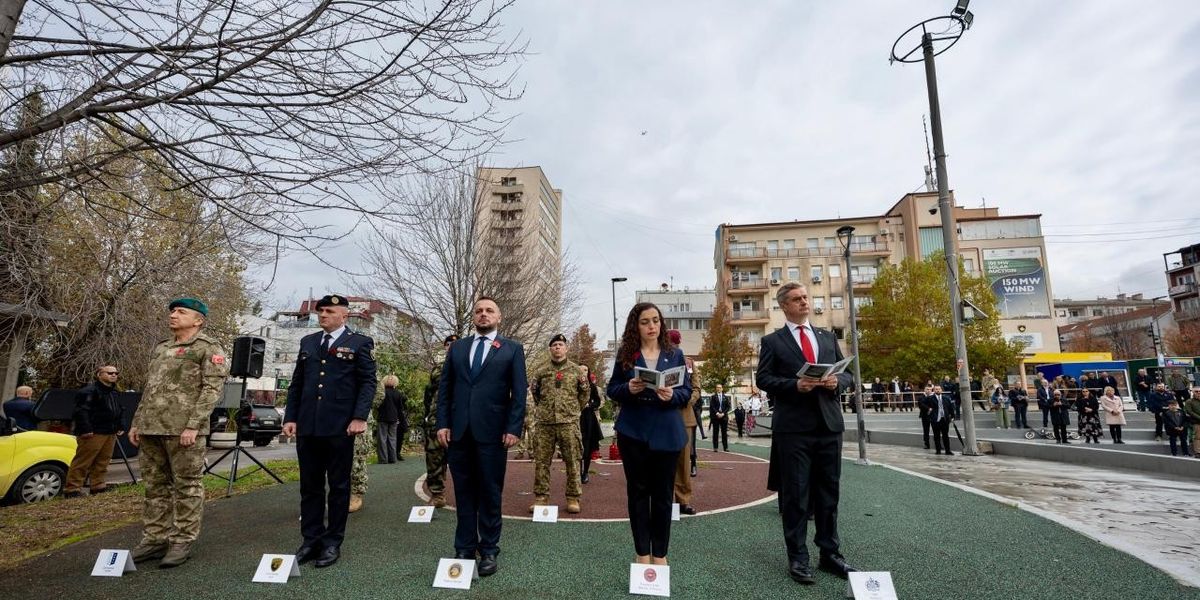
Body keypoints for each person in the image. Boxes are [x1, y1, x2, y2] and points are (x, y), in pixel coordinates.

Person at [757, 282, 856, 585]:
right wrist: (794, 385)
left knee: (829, 493)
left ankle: (830, 554)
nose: (804, 302)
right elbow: (763, 378)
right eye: (797, 299)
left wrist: (836, 383)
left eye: (805, 297)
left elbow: (848, 375)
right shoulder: (772, 341)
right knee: (796, 496)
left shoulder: (827, 336)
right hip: (794, 429)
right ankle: (798, 557)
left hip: (829, 426)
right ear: (784, 306)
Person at [127, 297, 229, 568]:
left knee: (187, 486)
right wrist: (138, 422)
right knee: (154, 487)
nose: (173, 315)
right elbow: (150, 388)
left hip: (183, 430)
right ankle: (154, 539)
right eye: (172, 311)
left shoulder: (207, 347)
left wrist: (193, 425)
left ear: (198, 320)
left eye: (181, 312)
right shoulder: (162, 347)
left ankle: (182, 540)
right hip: (151, 427)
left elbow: (212, 389)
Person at [283, 294, 377, 569]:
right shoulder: (308, 342)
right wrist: (291, 417)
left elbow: (367, 382)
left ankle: (332, 542)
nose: (323, 315)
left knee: (338, 486)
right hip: (308, 425)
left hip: (339, 426)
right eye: (320, 311)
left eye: (329, 311)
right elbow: (297, 383)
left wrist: (359, 417)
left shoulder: (359, 343)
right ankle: (310, 540)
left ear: (344, 315)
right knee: (310, 486)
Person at [436, 296, 527, 577]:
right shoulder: (458, 348)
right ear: (473, 317)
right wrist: (443, 423)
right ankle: (464, 547)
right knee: (463, 492)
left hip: (493, 433)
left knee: (489, 492)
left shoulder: (512, 349)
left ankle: (488, 548)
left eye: (489, 310)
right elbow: (445, 389)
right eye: (478, 311)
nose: (483, 314)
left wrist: (513, 428)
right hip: (459, 432)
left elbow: (519, 393)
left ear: (499, 317)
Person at [607, 302, 690, 566]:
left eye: (656, 320)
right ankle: (642, 552)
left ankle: (660, 554)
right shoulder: (626, 355)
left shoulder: (675, 354)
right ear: (636, 326)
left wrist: (672, 395)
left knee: (663, 497)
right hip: (633, 432)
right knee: (638, 494)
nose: (652, 326)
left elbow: (686, 392)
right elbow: (612, 388)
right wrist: (628, 389)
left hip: (667, 432)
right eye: (645, 322)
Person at [528, 333, 588, 514]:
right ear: (550, 349)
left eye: (560, 345)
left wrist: (573, 410)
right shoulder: (541, 371)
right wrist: (545, 409)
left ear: (566, 348)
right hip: (545, 423)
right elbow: (535, 393)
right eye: (554, 345)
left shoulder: (576, 371)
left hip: (568, 422)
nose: (557, 348)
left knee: (572, 461)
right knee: (542, 461)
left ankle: (573, 498)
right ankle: (541, 497)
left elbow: (584, 394)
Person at [64, 366, 126, 497]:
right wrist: (86, 429)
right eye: (110, 373)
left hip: (110, 431)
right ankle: (72, 489)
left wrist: (120, 425)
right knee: (83, 460)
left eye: (116, 373)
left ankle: (98, 485)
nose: (114, 375)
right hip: (94, 431)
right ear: (99, 374)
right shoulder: (88, 391)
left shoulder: (114, 392)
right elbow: (81, 411)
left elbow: (119, 410)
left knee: (104, 460)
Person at [422, 335, 457, 507]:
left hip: (459, 418)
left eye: (455, 344)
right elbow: (429, 393)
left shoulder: (467, 365)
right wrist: (427, 414)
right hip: (437, 418)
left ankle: (469, 494)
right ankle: (437, 494)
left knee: (463, 459)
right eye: (448, 344)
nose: (451, 346)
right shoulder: (438, 368)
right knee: (434, 456)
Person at [349, 376, 383, 513]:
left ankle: (356, 494)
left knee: (357, 457)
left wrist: (364, 407)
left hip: (361, 418)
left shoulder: (367, 369)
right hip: (339, 414)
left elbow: (379, 394)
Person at [673, 343, 701, 515]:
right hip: (662, 416)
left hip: (684, 416)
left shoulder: (688, 362)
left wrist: (687, 400)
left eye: (676, 343)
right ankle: (665, 502)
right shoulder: (658, 359)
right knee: (662, 461)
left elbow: (696, 388)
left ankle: (683, 501)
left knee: (684, 462)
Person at [579, 366, 604, 484]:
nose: (582, 372)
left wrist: (590, 405)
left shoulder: (592, 386)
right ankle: (577, 472)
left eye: (585, 370)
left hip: (588, 419)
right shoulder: (572, 385)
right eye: (580, 369)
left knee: (587, 447)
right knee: (576, 447)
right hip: (576, 418)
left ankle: (585, 472)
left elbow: (598, 401)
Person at [376, 374, 404, 463]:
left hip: (382, 417)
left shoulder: (382, 393)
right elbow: (400, 408)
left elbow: (377, 405)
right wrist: (401, 419)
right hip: (394, 418)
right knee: (392, 438)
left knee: (382, 439)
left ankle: (383, 459)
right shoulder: (398, 393)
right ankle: (392, 458)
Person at [928, 385, 954, 455]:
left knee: (945, 435)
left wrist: (952, 416)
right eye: (936, 389)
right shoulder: (930, 398)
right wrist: (929, 412)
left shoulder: (946, 398)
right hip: (935, 420)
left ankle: (948, 450)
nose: (938, 390)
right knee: (936, 436)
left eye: (939, 389)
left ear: (941, 390)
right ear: (934, 390)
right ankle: (938, 450)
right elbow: (923, 405)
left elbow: (950, 408)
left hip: (944, 419)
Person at [709, 384, 731, 452]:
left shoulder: (725, 397)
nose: (718, 389)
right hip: (716, 417)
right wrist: (717, 413)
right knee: (715, 432)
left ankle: (725, 447)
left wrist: (723, 413)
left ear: (722, 389)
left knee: (724, 433)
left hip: (724, 417)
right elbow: (712, 406)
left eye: (720, 387)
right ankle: (715, 447)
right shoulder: (713, 397)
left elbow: (728, 407)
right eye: (717, 387)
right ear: (716, 389)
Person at [917, 384, 935, 449]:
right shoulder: (921, 397)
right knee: (926, 430)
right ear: (924, 389)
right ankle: (926, 444)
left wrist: (932, 409)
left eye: (930, 389)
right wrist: (929, 408)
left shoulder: (934, 396)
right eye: (927, 389)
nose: (929, 391)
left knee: (936, 430)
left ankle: (938, 444)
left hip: (933, 415)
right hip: (925, 415)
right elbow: (921, 405)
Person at [1184, 388, 1200, 458]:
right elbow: (1190, 412)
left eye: (1199, 391)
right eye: (1196, 391)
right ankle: (1198, 452)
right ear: (1193, 392)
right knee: (1198, 437)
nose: (1198, 393)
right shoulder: (1189, 401)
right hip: (1196, 422)